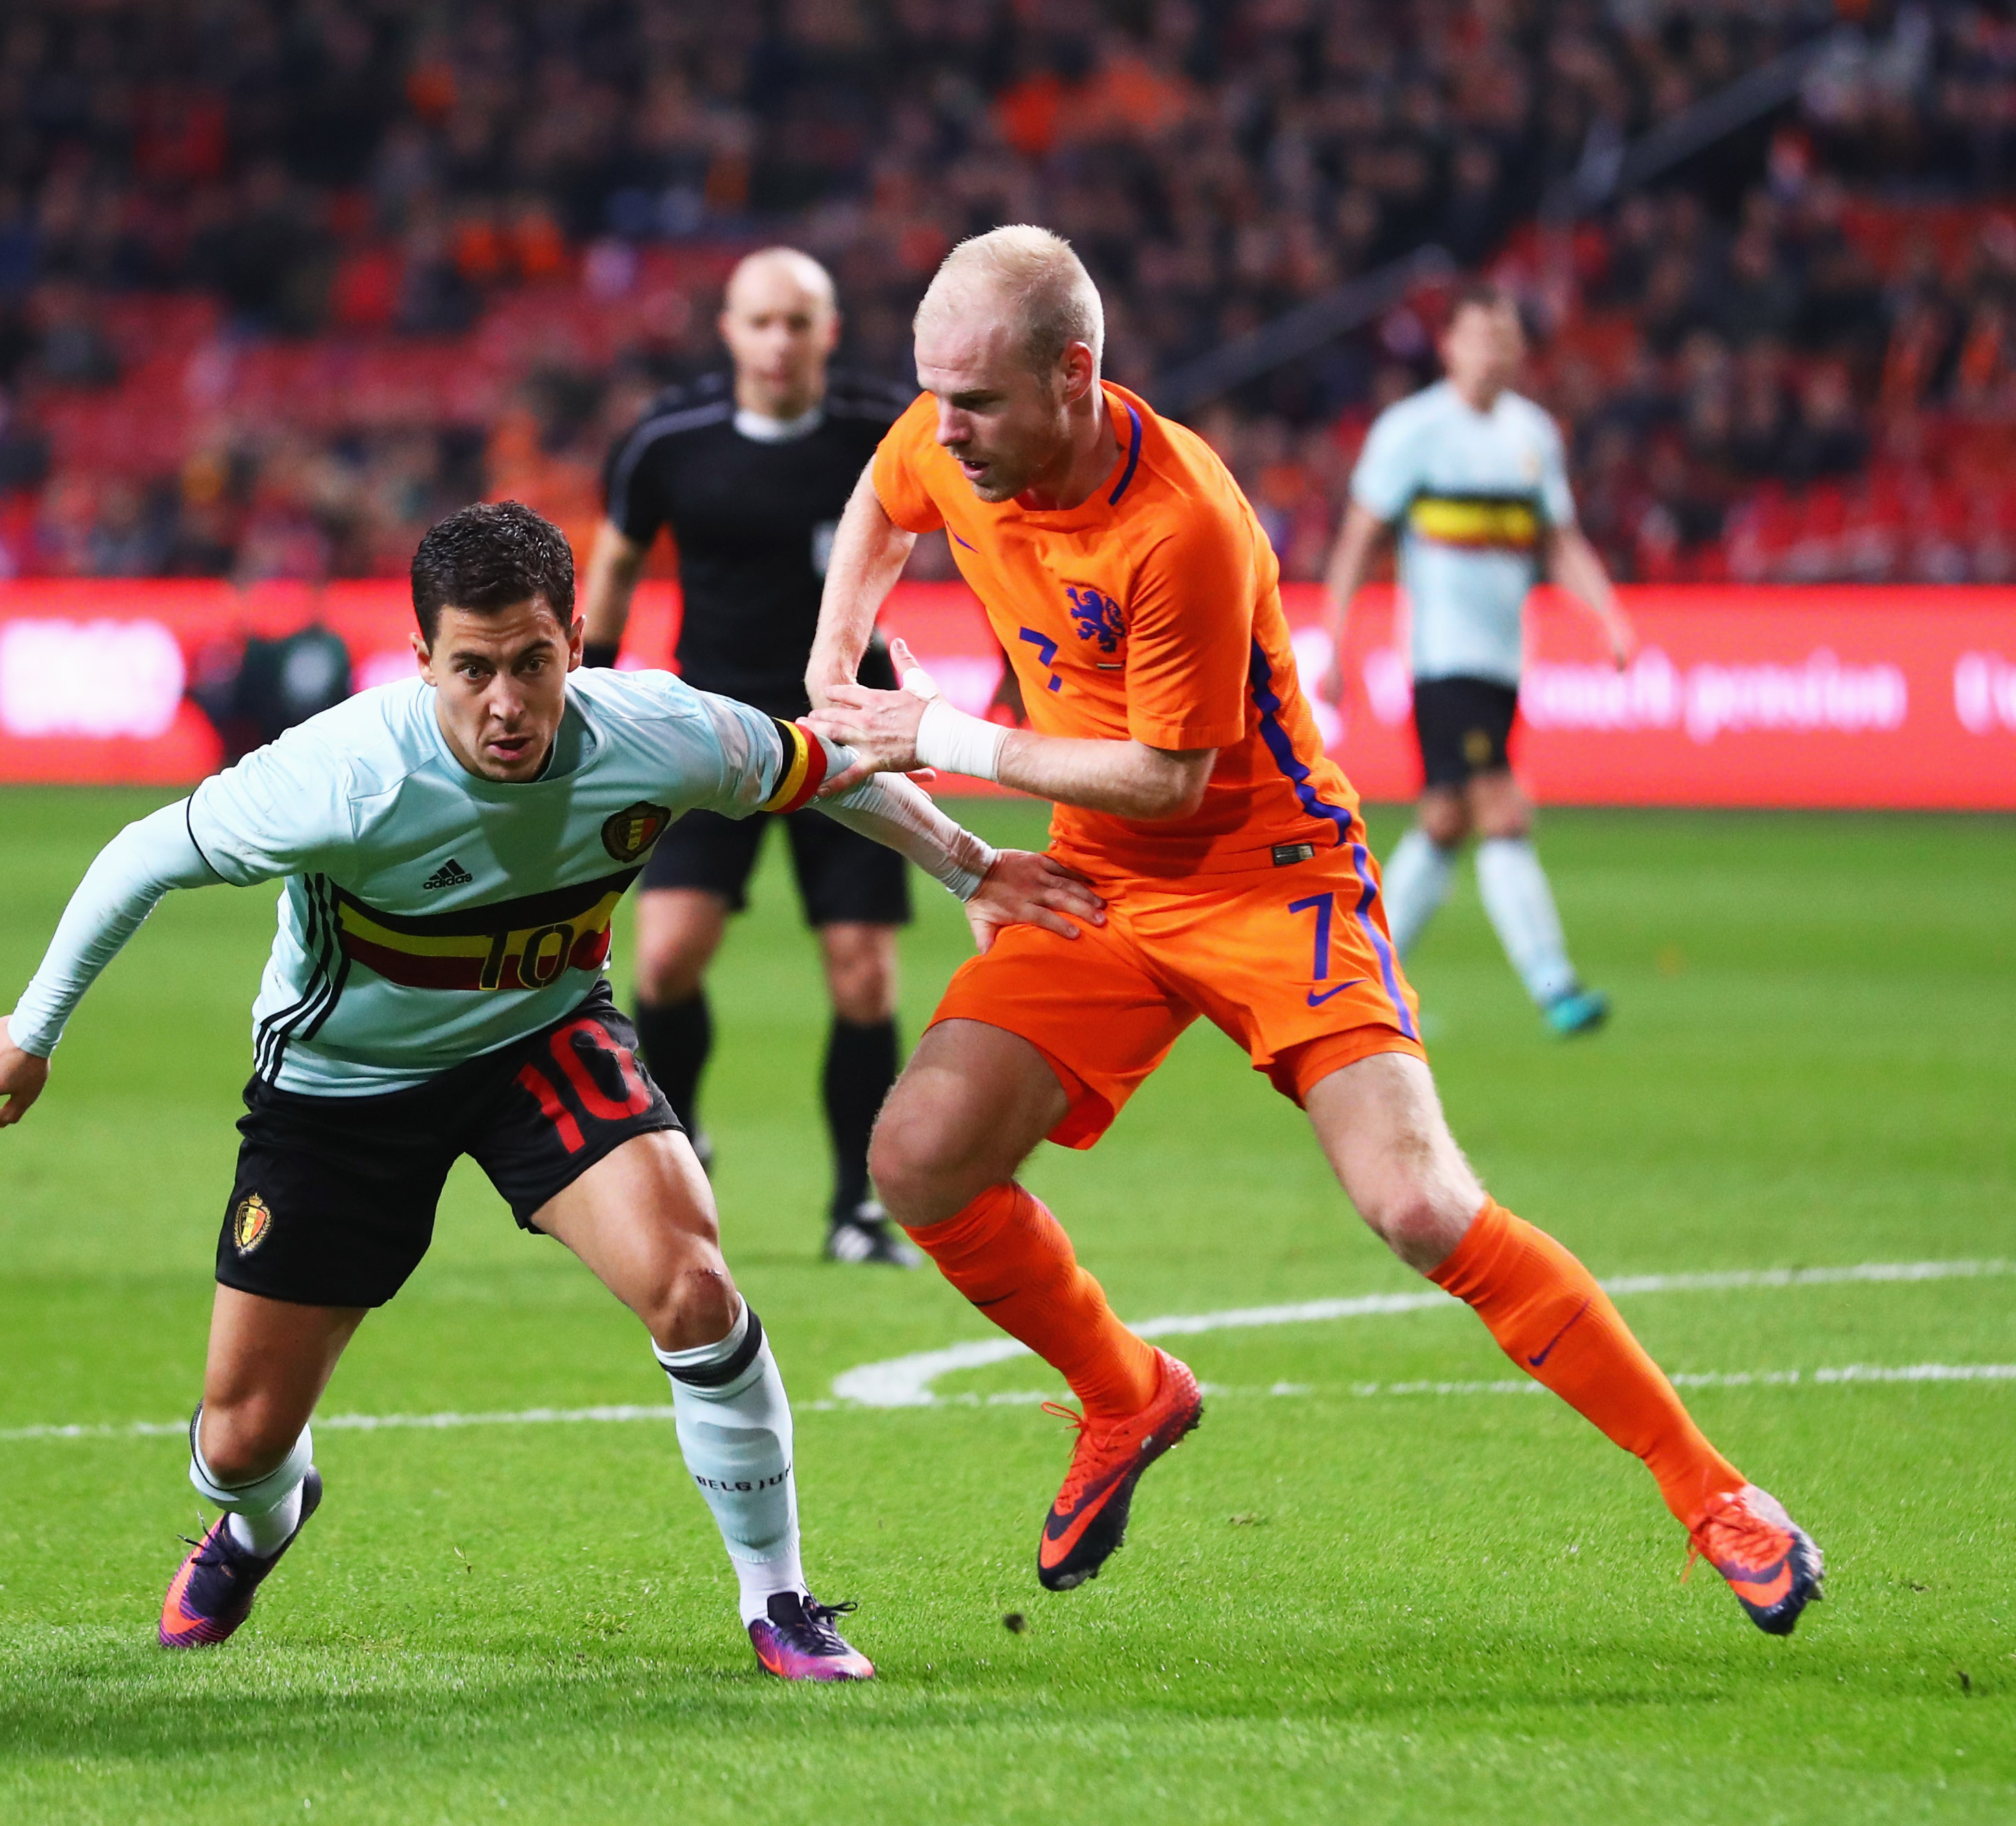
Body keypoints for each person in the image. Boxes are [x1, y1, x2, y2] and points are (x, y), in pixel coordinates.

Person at [800, 229, 1821, 1633]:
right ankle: (1124, 1393)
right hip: (1098, 879)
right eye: (933, 394)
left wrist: (941, 735)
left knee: (1418, 1205)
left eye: (973, 401)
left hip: (1272, 878)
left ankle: (1714, 1494)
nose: (943, 427)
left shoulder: (1182, 523)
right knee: (918, 1161)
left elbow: (1169, 778)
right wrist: (833, 654)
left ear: (1073, 375)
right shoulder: (952, 434)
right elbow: (881, 495)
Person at [0, 500, 1102, 1680]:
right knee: (241, 1441)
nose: (505, 703)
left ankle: (780, 1598)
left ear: (574, 644)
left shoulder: (658, 728)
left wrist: (970, 866)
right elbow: (142, 855)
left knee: (694, 1290)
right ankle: (258, 1522)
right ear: (422, 661)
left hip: (539, 1041)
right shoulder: (344, 774)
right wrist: (31, 1030)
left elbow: (823, 770)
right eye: (472, 669)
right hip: (344, 1089)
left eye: (532, 663)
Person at [582, 247, 921, 1266]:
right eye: (761, 321)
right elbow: (615, 560)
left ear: (829, 332)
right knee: (664, 957)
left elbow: (987, 533)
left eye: (798, 322)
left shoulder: (885, 433)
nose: (779, 341)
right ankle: (680, 1138)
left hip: (848, 729)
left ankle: (856, 1207)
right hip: (709, 731)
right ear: (729, 330)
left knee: (863, 975)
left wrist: (1008, 657)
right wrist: (589, 692)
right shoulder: (668, 440)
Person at [1318, 284, 1635, 1036]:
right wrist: (1335, 640)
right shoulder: (1413, 431)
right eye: (1481, 337)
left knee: (1444, 819)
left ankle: (1356, 979)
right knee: (1501, 807)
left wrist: (1607, 615)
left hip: (1503, 661)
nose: (1494, 351)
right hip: (1441, 659)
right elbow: (1359, 539)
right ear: (1449, 346)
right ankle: (1555, 988)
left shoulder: (1533, 435)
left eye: (1505, 339)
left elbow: (1557, 541)